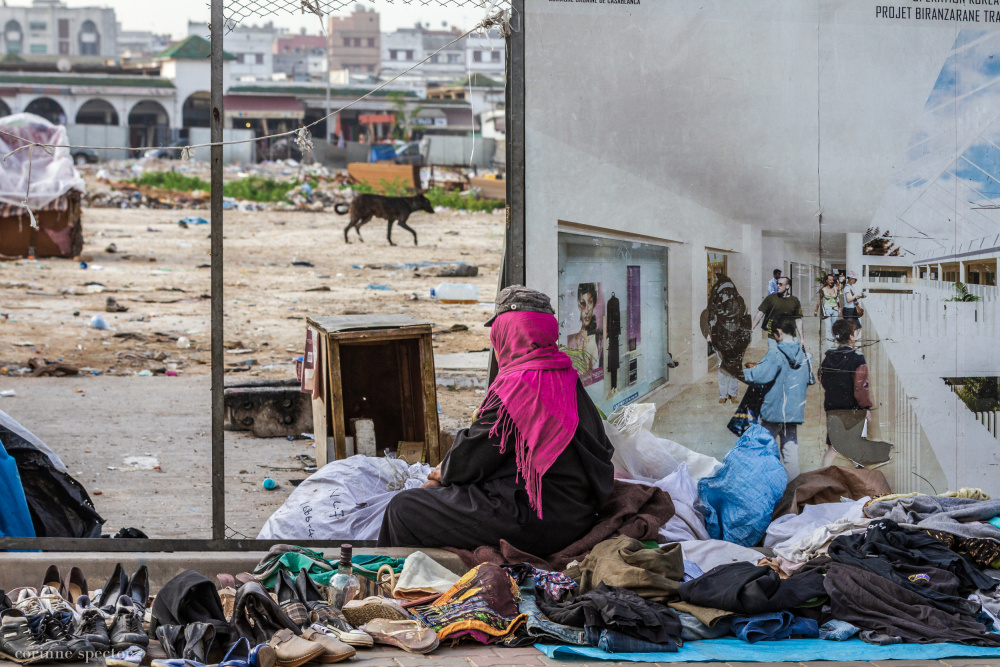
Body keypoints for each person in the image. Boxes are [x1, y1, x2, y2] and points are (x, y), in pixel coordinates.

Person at [377, 286, 615, 553]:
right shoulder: (566, 377)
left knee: (403, 508)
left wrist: (440, 475)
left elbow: (469, 461)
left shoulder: (517, 390)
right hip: (576, 517)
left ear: (508, 334)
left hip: (533, 521)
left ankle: (395, 584)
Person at [743, 317, 809, 480]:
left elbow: (760, 376)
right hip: (793, 413)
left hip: (774, 411)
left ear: (779, 332)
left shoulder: (776, 353)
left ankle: (762, 484)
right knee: (790, 454)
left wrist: (742, 372)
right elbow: (810, 378)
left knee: (760, 449)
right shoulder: (802, 353)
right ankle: (792, 492)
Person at [818, 319, 872, 468]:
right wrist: (865, 407)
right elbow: (861, 387)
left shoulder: (828, 357)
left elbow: (822, 378)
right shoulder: (857, 358)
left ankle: (823, 479)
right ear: (851, 337)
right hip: (852, 409)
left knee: (833, 448)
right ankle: (861, 484)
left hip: (832, 406)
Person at [751, 276, 805, 349]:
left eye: (780, 284)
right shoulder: (770, 298)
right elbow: (760, 313)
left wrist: (802, 339)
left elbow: (798, 320)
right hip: (773, 338)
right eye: (777, 284)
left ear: (787, 286)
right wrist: (752, 328)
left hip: (790, 337)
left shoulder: (795, 300)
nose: (777, 286)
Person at [566, 283, 601, 373]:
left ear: (594, 303)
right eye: (583, 303)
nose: (587, 310)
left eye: (590, 302)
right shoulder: (573, 340)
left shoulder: (597, 339)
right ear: (578, 305)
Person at [813, 274, 840, 350]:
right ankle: (830, 348)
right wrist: (816, 310)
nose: (831, 281)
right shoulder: (823, 290)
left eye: (832, 280)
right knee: (828, 328)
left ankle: (833, 343)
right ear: (827, 281)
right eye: (830, 280)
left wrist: (840, 308)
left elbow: (838, 299)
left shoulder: (836, 288)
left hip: (835, 310)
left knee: (833, 327)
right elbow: (820, 300)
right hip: (827, 309)